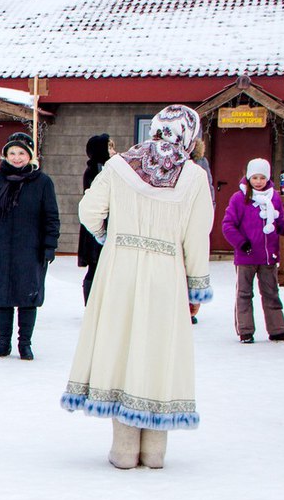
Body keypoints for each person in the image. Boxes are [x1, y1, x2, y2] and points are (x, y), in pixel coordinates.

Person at [61, 105, 212, 469]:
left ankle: (124, 450)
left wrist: (108, 238)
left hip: (119, 270)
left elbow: (88, 211)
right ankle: (155, 452)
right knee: (157, 352)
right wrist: (195, 288)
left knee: (120, 347)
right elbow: (197, 236)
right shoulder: (193, 176)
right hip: (166, 273)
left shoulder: (118, 165)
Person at [0, 132, 60, 360]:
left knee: (27, 294)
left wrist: (49, 245)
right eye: (12, 153)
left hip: (30, 248)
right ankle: (3, 342)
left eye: (21, 153)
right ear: (5, 156)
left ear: (30, 155)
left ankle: (25, 343)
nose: (17, 157)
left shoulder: (42, 182)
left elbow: (51, 217)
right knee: (1, 294)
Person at [221, 158, 284, 344]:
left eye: (262, 177)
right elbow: (228, 225)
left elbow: (280, 224)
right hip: (246, 256)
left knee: (271, 293)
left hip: (268, 257)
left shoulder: (273, 198)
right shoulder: (239, 198)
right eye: (255, 177)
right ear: (248, 178)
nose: (258, 181)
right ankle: (246, 330)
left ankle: (277, 330)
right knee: (244, 294)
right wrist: (241, 243)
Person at [77, 134, 111, 304]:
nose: (113, 151)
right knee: (94, 266)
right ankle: (90, 303)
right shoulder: (94, 171)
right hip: (96, 226)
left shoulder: (106, 168)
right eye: (109, 147)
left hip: (105, 224)